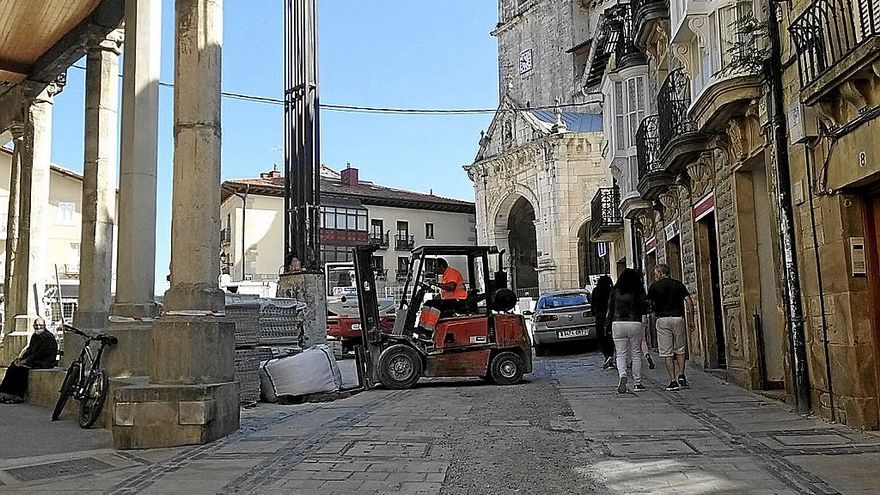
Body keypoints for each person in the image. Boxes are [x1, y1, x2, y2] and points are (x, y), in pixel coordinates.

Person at [648, 263, 695, 391]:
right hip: (677, 318)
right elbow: (689, 303)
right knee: (680, 349)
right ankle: (681, 375)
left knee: (667, 352)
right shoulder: (678, 284)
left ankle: (673, 381)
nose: (654, 275)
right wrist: (691, 320)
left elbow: (649, 305)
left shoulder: (654, 287)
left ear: (660, 273)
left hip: (662, 320)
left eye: (655, 273)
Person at [607, 269, 650, 393]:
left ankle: (622, 374)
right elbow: (644, 308)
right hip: (634, 323)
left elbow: (610, 310)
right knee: (636, 354)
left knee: (621, 354)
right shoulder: (638, 291)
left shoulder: (615, 292)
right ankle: (637, 383)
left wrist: (608, 326)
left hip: (618, 323)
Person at [0, 318, 58, 404]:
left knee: (22, 369)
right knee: (13, 366)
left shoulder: (48, 337)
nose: (38, 327)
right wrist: (21, 358)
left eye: (40, 326)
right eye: (36, 326)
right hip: (34, 360)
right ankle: (4, 392)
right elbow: (30, 350)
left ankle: (18, 395)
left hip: (44, 362)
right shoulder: (35, 336)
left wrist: (25, 362)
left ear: (44, 326)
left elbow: (39, 353)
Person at [590, 275, 615, 369]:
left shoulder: (596, 291)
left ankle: (607, 356)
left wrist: (595, 314)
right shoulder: (611, 291)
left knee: (601, 339)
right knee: (610, 339)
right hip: (610, 318)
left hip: (600, 318)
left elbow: (592, 306)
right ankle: (610, 356)